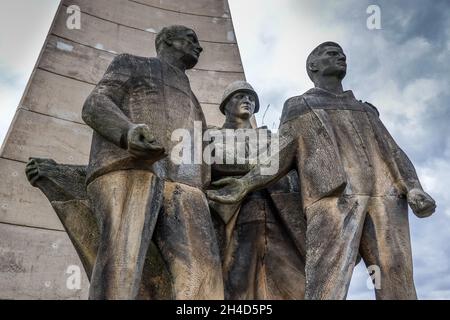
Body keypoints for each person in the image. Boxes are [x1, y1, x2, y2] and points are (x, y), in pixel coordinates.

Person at [207, 42, 436, 300]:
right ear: (313, 66)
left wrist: (413, 186)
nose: (340, 56)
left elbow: (393, 151)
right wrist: (246, 182)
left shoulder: (365, 109)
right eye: (331, 52)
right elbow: (280, 157)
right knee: (327, 278)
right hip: (332, 199)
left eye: (341, 53)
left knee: (396, 275)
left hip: (386, 199)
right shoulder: (299, 105)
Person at [81, 25, 223, 300]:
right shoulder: (132, 63)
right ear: (168, 40)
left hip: (187, 189)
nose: (199, 47)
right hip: (133, 169)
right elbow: (95, 103)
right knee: (122, 264)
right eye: (192, 39)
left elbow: (206, 152)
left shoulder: (193, 98)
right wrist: (128, 131)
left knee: (204, 276)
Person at [209, 81, 306, 299]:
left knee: (295, 283)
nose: (247, 100)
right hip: (235, 215)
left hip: (278, 214)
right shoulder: (212, 135)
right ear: (226, 105)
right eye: (240, 96)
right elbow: (215, 160)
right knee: (235, 285)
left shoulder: (270, 137)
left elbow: (289, 163)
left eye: (251, 98)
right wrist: (264, 166)